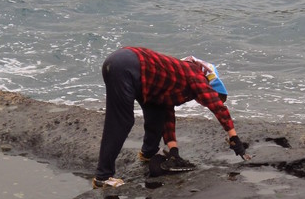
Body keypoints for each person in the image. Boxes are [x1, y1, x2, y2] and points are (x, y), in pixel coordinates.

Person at [93, 47, 248, 188]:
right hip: (126, 66)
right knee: (122, 121)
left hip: (130, 67)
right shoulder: (196, 74)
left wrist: (173, 149)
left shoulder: (175, 76)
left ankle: (148, 153)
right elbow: (217, 106)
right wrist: (234, 137)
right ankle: (103, 176)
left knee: (156, 112)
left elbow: (167, 111)